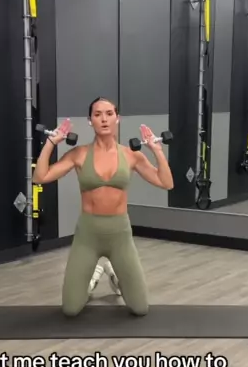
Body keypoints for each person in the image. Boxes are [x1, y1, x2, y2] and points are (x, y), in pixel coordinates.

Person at [32, 97, 174, 316]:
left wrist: (157, 151)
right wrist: (51, 143)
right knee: (70, 309)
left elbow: (166, 183)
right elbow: (40, 177)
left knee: (140, 308)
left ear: (118, 118)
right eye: (97, 115)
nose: (104, 119)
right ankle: (94, 276)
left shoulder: (131, 155)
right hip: (88, 235)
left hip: (120, 234)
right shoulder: (79, 154)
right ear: (90, 121)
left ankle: (115, 275)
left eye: (109, 114)